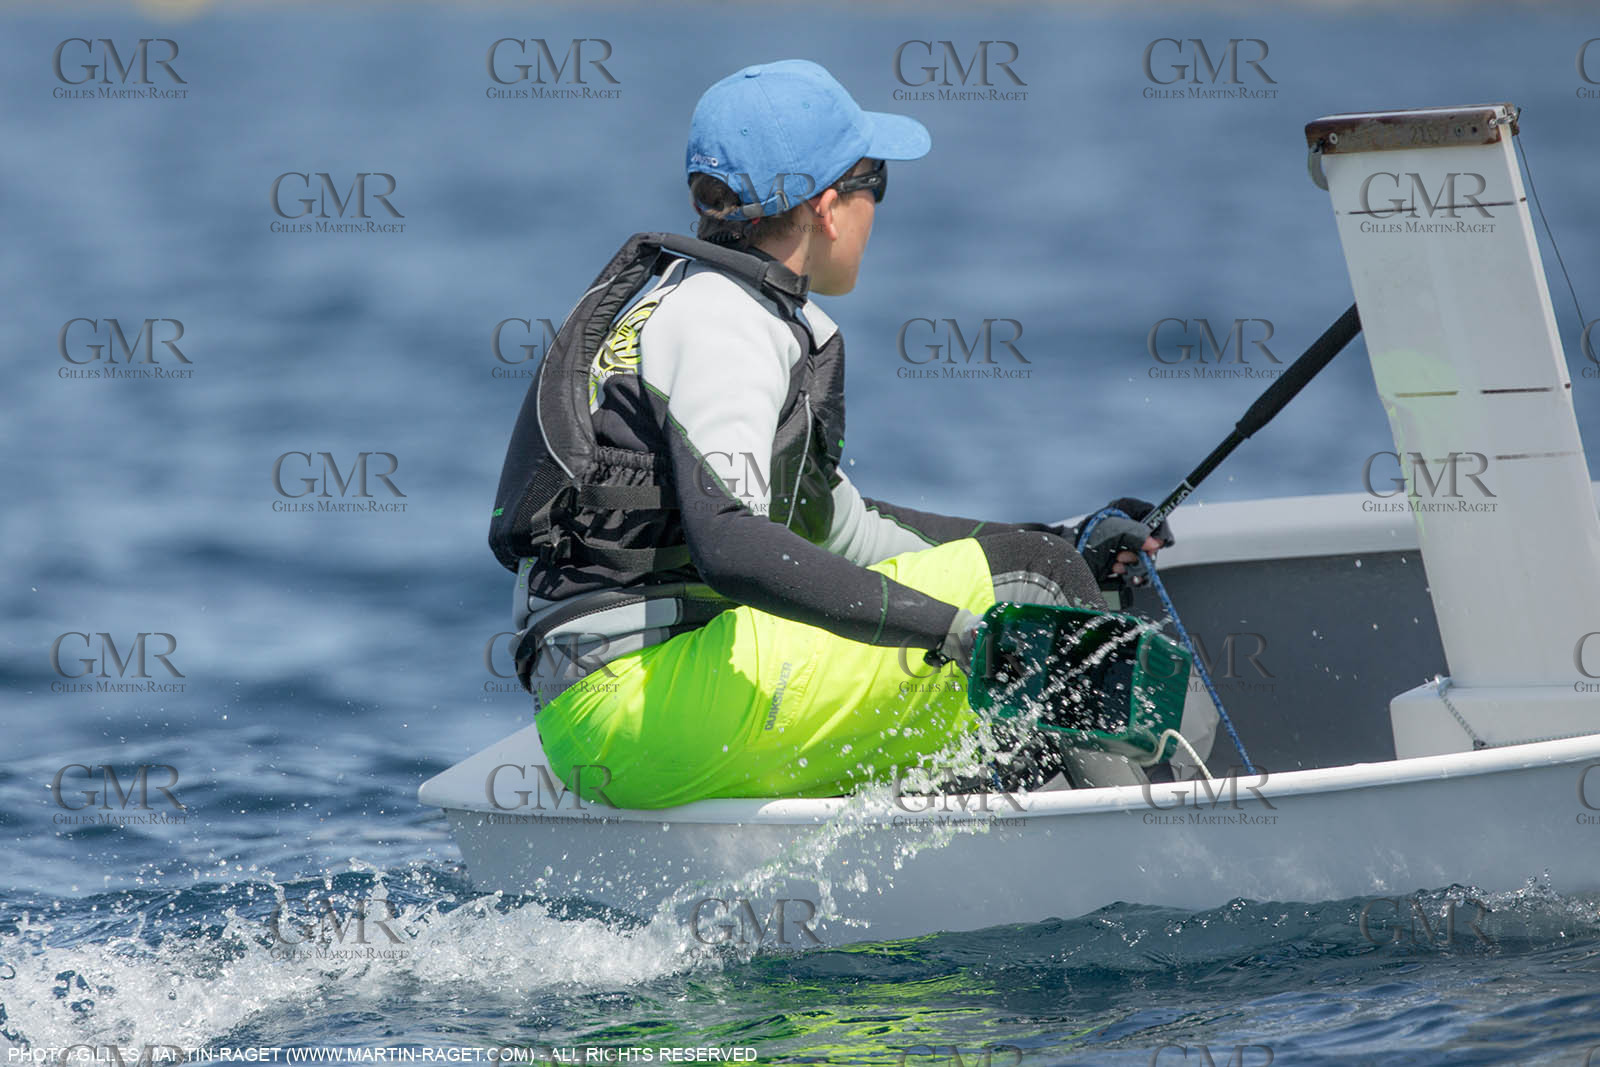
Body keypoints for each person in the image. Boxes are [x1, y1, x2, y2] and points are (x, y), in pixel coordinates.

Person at [487, 59, 1174, 810]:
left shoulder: (679, 299)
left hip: (603, 712)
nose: (877, 206)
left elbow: (841, 529)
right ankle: (1156, 861)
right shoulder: (727, 321)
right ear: (826, 206)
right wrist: (959, 626)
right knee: (1038, 584)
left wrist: (1065, 536)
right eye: (874, 182)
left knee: (1042, 570)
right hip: (647, 708)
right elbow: (731, 546)